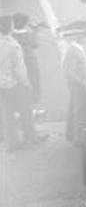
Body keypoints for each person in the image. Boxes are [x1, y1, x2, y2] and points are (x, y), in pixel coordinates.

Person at [0, 15, 45, 150]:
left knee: (7, 114)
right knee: (26, 111)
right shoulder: (13, 45)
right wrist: (26, 84)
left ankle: (11, 143)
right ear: (10, 27)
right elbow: (19, 68)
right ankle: (31, 136)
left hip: (2, 85)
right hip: (15, 84)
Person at [12, 13, 43, 115]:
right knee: (33, 84)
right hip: (30, 64)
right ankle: (31, 109)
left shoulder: (12, 35)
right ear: (25, 23)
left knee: (18, 86)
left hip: (16, 65)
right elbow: (36, 44)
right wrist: (36, 31)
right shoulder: (29, 35)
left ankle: (17, 110)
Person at [62, 35, 86, 143]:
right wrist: (82, 82)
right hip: (77, 84)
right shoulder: (74, 50)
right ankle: (79, 138)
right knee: (80, 110)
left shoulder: (75, 48)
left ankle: (71, 134)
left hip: (76, 84)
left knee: (74, 108)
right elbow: (70, 71)